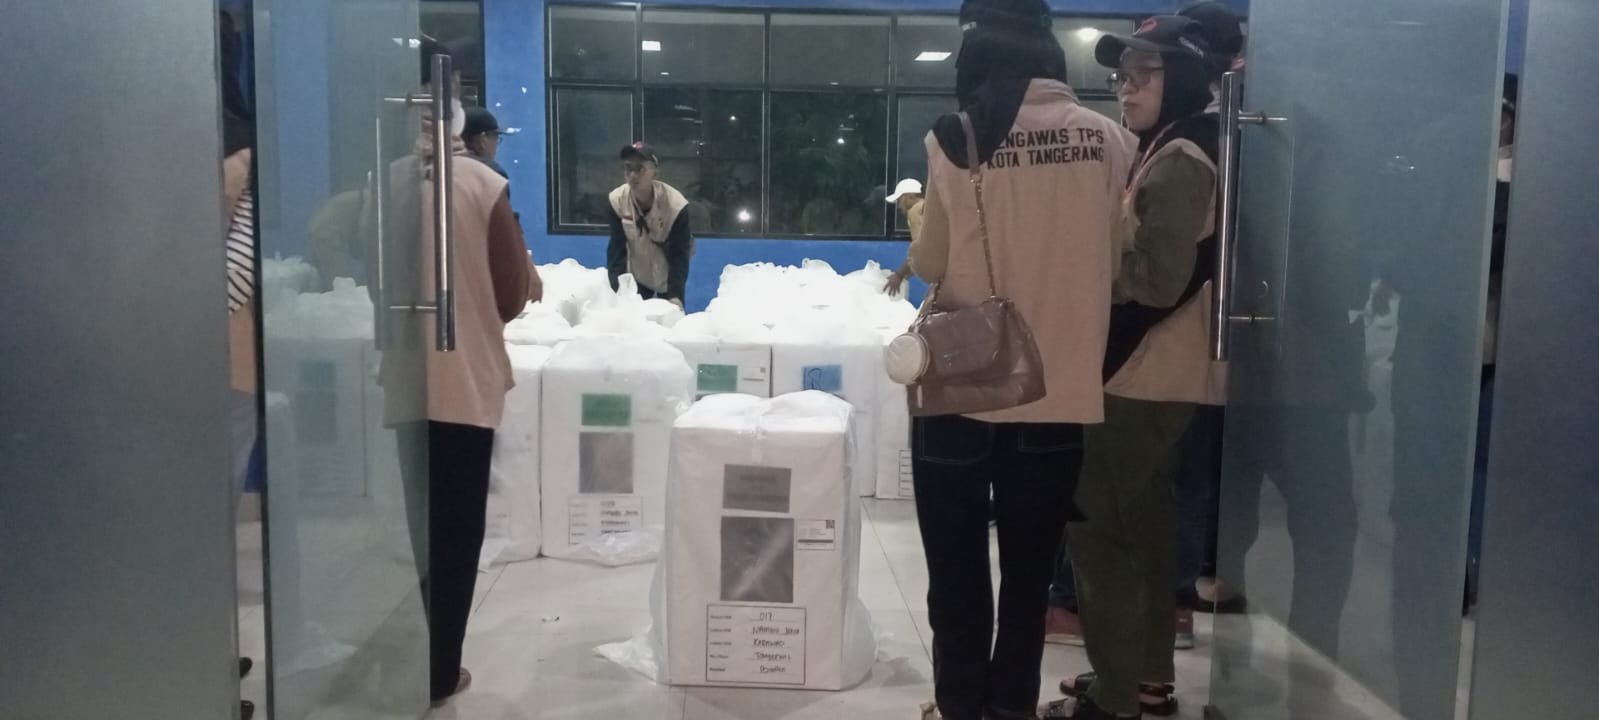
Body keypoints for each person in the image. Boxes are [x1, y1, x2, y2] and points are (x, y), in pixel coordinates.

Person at [906, 1, 1136, 718]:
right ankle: (1010, 707)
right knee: (1030, 574)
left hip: (961, 387)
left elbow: (931, 263)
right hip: (1058, 393)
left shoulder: (956, 137)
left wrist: (918, 212)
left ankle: (959, 704)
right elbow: (1116, 260)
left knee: (955, 568)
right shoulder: (1111, 139)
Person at [1044, 0, 1247, 652]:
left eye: (1145, 75)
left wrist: (1091, 264)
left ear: (1184, 78)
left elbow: (1159, 280)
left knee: (1111, 527)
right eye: (1122, 77)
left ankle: (1123, 682)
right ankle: (1142, 675)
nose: (1126, 90)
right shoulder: (1172, 142)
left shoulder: (1184, 154)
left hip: (1150, 370)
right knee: (1145, 523)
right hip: (1153, 367)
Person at [382, 38, 542, 708]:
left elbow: (360, 262)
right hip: (465, 382)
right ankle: (439, 669)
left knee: (418, 526)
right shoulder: (482, 183)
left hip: (403, 381)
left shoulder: (386, 182)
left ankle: (411, 653)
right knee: (455, 531)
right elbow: (511, 292)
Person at [606, 142, 693, 307]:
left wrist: (676, 295)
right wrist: (618, 291)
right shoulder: (617, 201)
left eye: (640, 169)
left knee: (670, 315)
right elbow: (617, 249)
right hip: (637, 276)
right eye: (628, 168)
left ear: (655, 173)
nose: (633, 175)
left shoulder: (676, 205)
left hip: (668, 276)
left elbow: (680, 253)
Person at [883, 178, 926, 296]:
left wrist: (898, 275)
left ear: (909, 196)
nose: (899, 206)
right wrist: (906, 275)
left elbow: (921, 248)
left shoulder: (915, 210)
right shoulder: (926, 206)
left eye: (899, 200)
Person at [462, 106, 509, 179]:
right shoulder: (493, 173)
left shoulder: (446, 166)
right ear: (483, 140)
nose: (496, 146)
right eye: (495, 138)